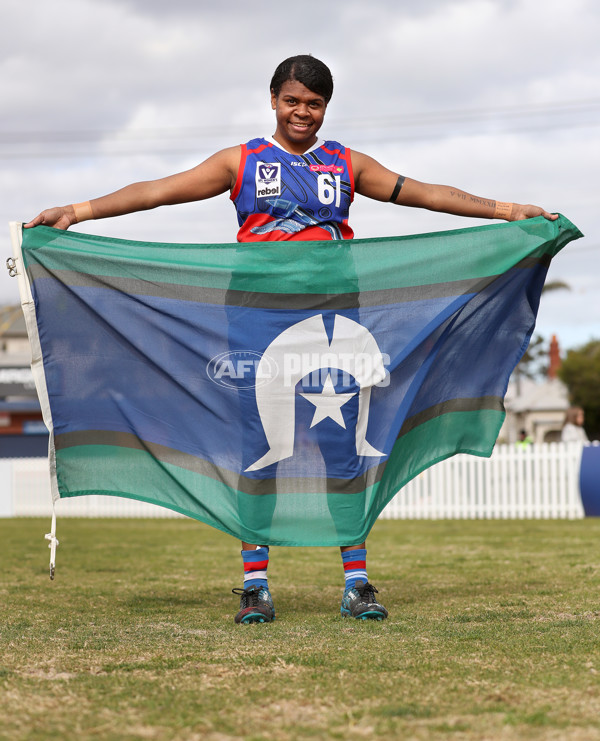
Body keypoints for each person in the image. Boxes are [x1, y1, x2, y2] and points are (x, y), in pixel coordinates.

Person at [25, 54, 557, 625]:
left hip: (336, 321)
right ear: (273, 100)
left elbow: (424, 193)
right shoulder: (242, 160)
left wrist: (509, 212)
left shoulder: (347, 164)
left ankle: (357, 582)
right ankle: (255, 585)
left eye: (315, 103)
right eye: (293, 101)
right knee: (259, 446)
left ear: (325, 108)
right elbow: (160, 190)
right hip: (256, 319)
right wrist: (77, 213)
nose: (303, 112)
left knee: (342, 446)